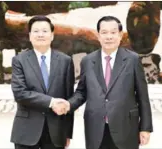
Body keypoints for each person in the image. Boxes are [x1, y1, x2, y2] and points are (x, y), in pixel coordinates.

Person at [54, 16, 153, 149]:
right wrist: (68, 104)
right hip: (95, 127)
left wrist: (145, 128)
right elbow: (82, 92)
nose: (109, 37)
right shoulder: (88, 61)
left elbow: (143, 96)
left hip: (126, 126)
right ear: (98, 36)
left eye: (113, 32)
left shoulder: (132, 60)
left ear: (120, 35)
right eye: (104, 32)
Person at [10, 15, 75, 149]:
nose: (40, 35)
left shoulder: (65, 61)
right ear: (29, 36)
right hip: (26, 132)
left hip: (56, 133)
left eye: (45, 31)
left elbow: (69, 98)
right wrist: (51, 102)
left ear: (52, 35)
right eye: (36, 31)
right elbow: (20, 93)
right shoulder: (19, 60)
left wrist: (68, 133)